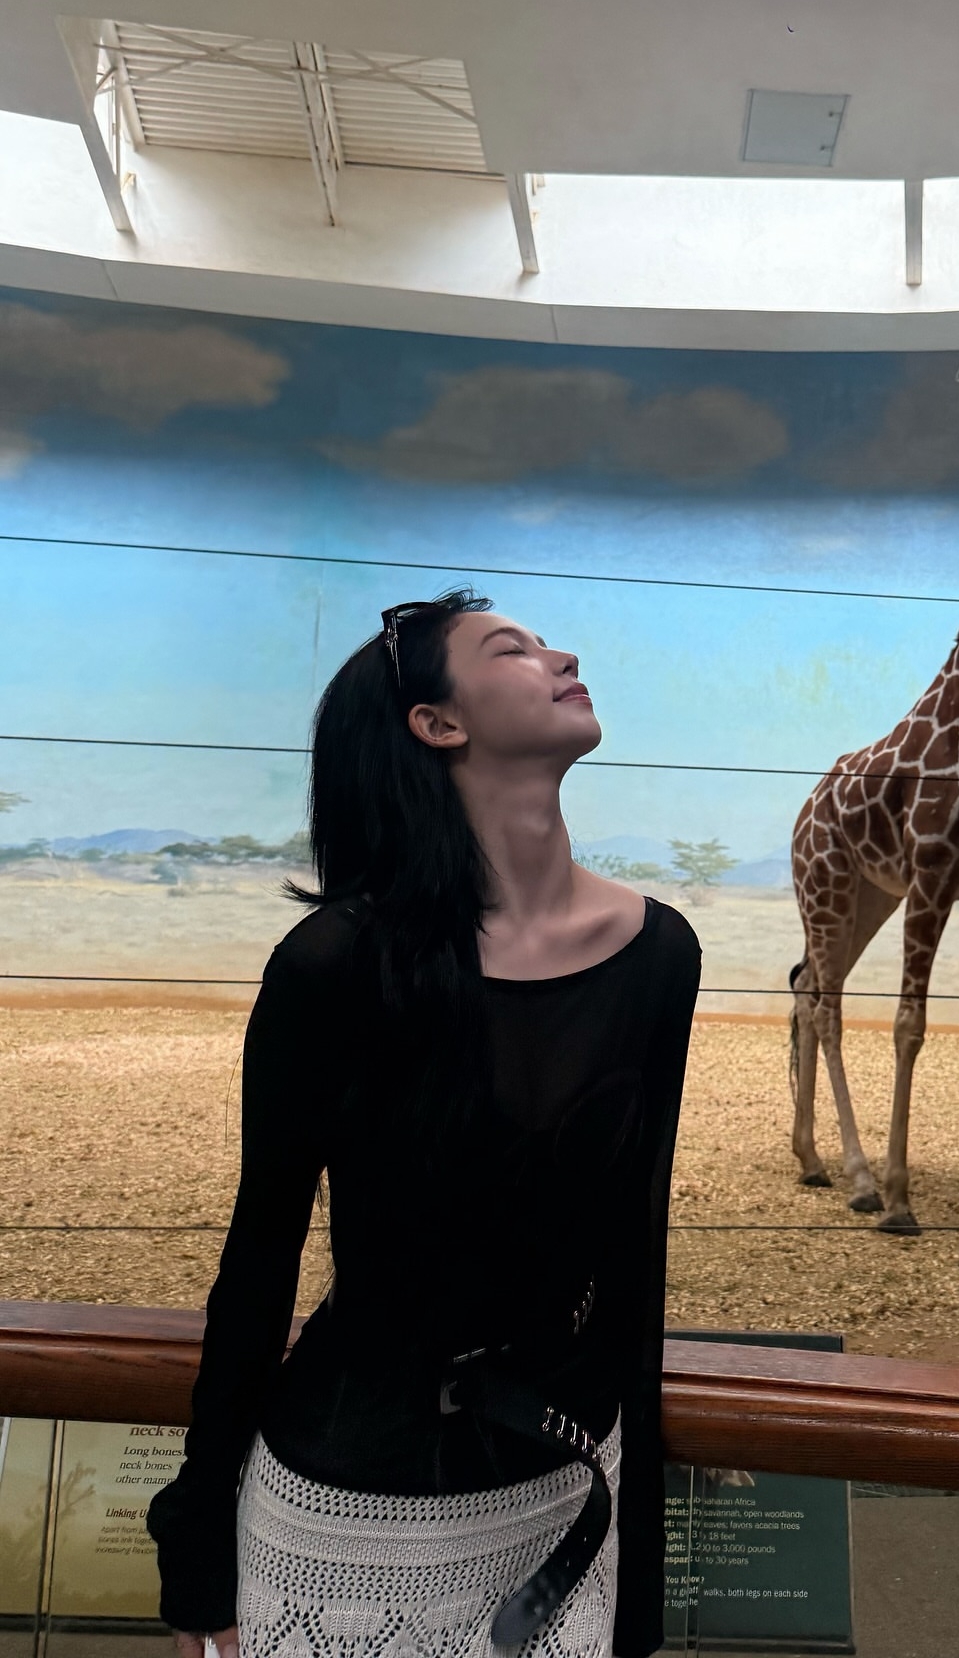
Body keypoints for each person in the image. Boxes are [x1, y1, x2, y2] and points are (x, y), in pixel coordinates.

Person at [146, 589, 700, 1658]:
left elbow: (636, 1258)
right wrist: (197, 1552)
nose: (562, 656)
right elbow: (260, 1256)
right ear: (437, 723)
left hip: (565, 1503)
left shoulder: (659, 953)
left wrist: (637, 1584)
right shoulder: (333, 966)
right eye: (513, 649)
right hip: (346, 1510)